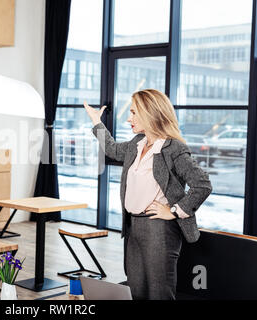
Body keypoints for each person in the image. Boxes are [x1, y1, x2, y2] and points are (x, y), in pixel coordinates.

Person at [84, 89, 212, 300]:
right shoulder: (138, 143)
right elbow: (113, 149)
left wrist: (174, 211)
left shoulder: (174, 148)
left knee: (159, 293)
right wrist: (96, 122)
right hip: (133, 226)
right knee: (136, 290)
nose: (128, 118)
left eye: (134, 112)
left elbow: (202, 184)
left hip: (159, 229)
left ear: (150, 113)